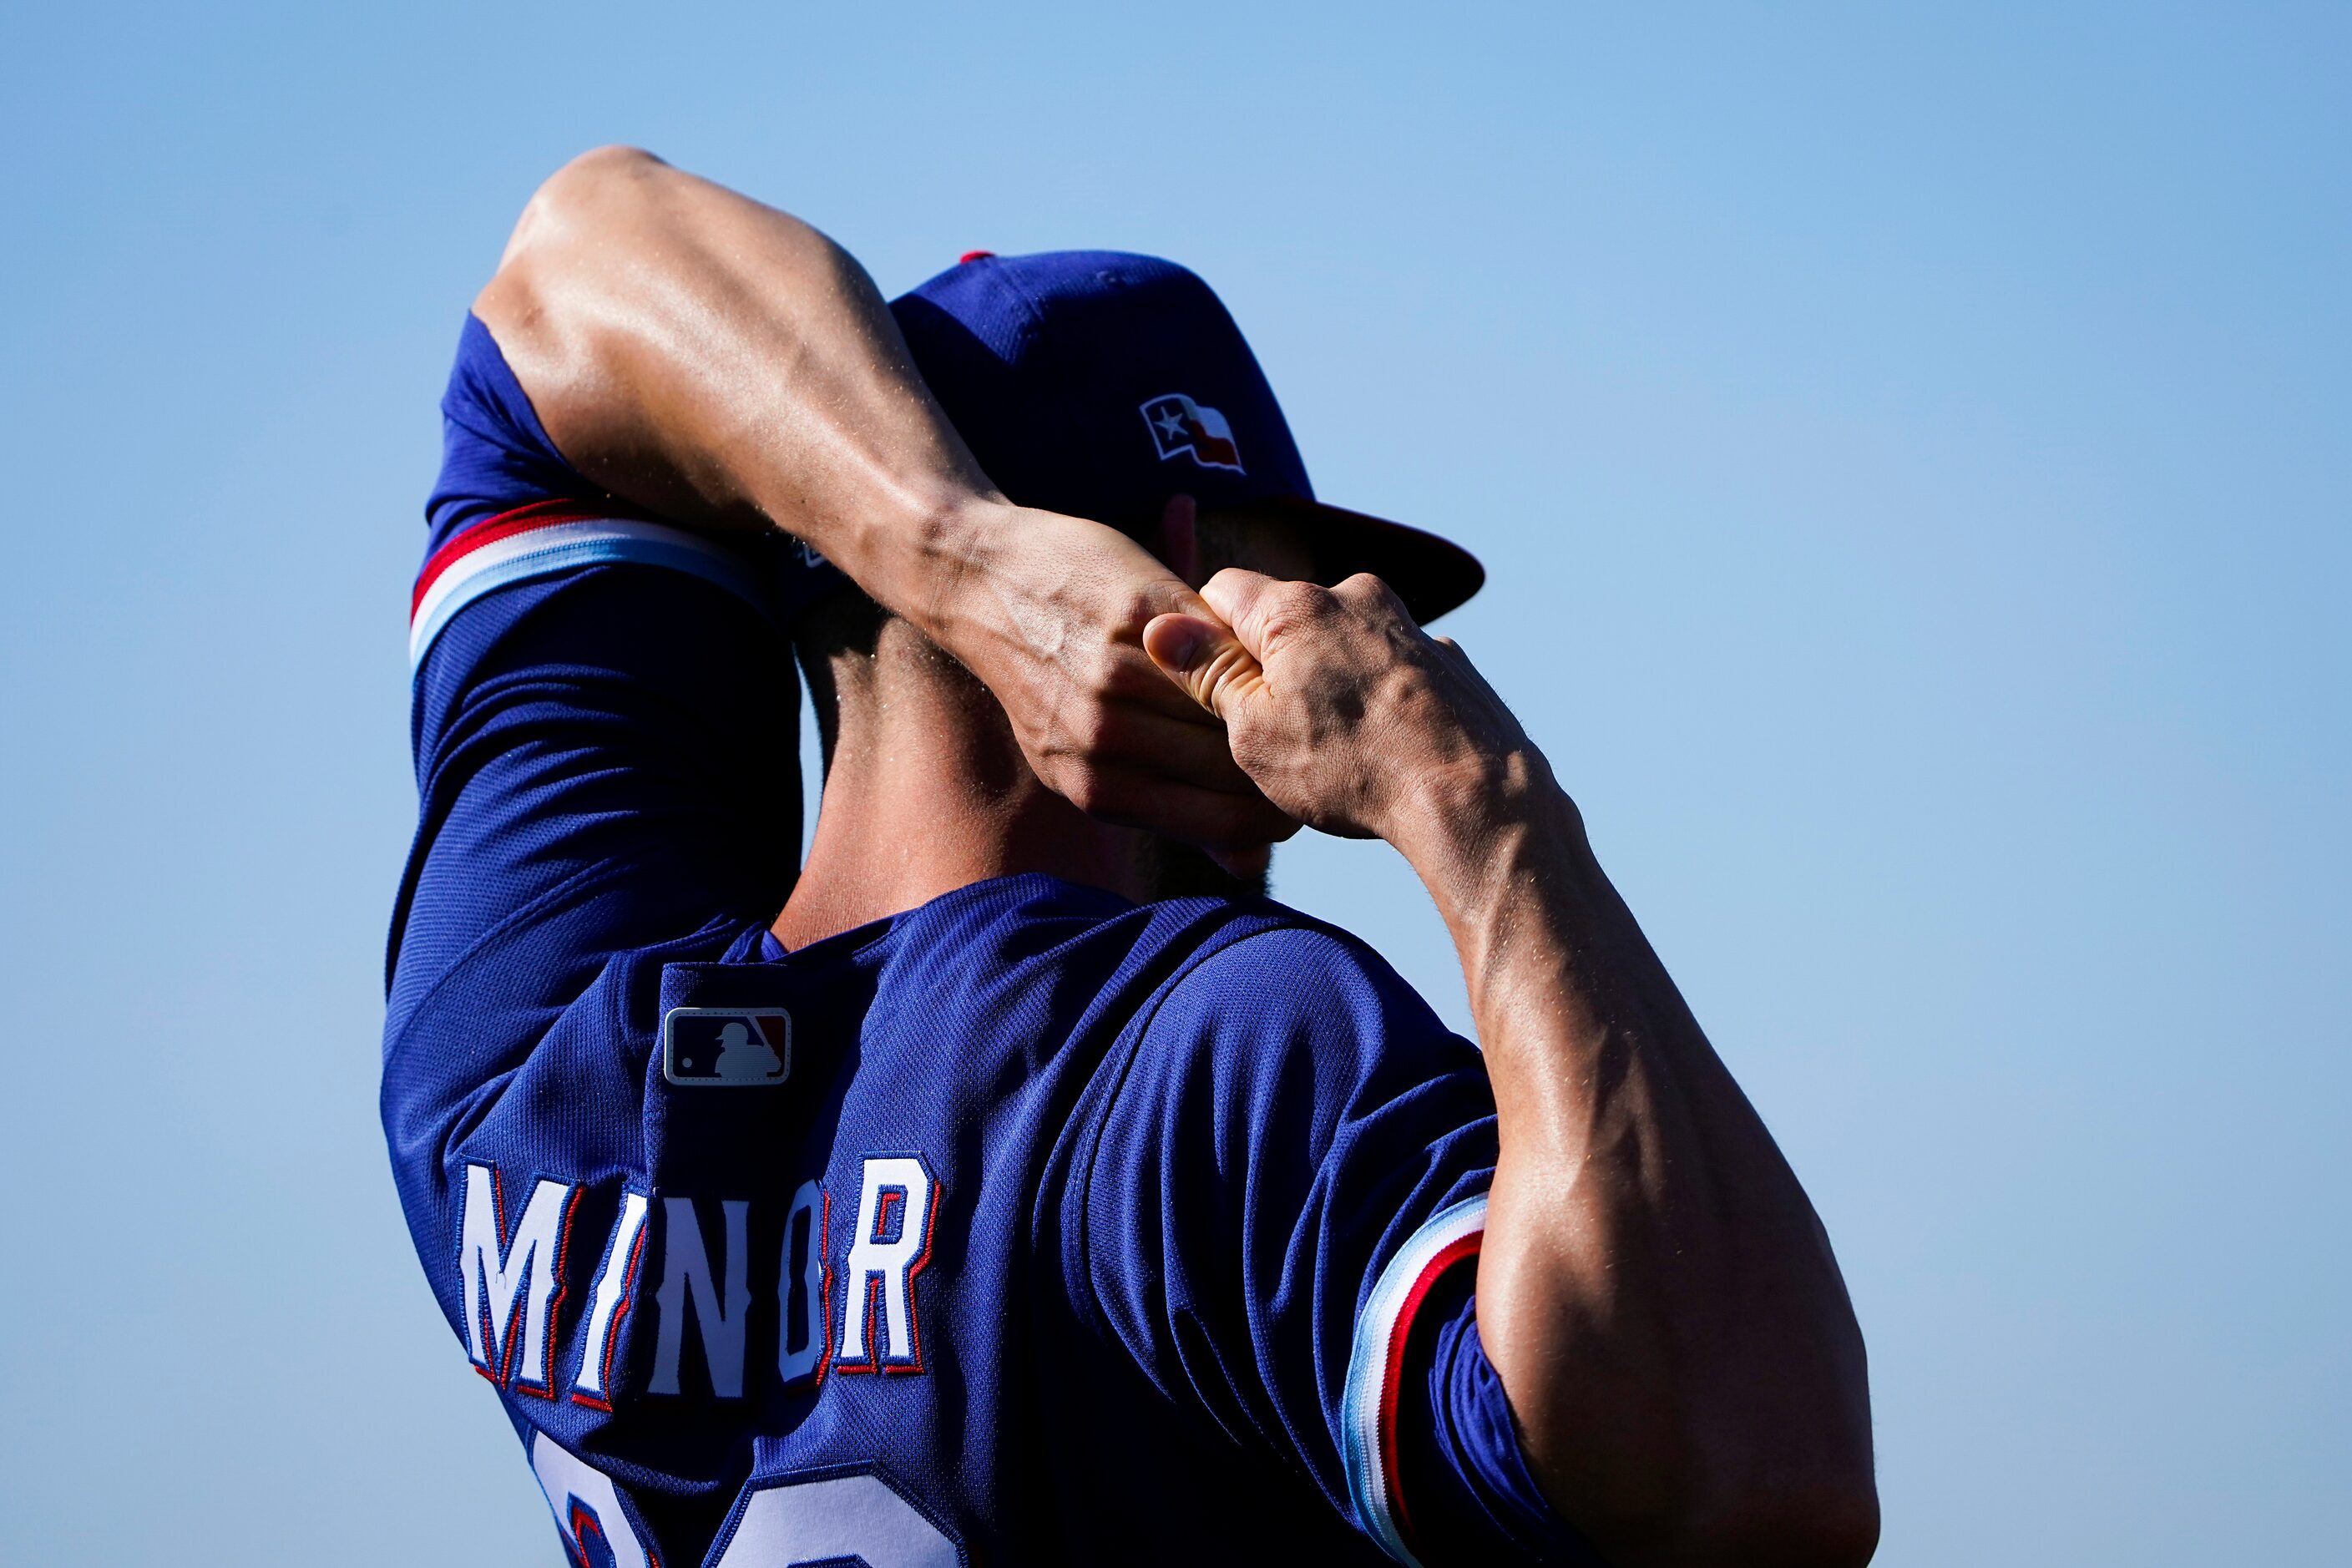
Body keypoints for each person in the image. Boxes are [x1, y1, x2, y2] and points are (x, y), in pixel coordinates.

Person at [382, 149, 1878, 1566]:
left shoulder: (526, 1049)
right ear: (1185, 594)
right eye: (1309, 600)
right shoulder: (1210, 1054)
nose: (1356, 650)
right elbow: (1754, 1483)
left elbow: (561, 271)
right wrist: (1482, 809)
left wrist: (950, 553)